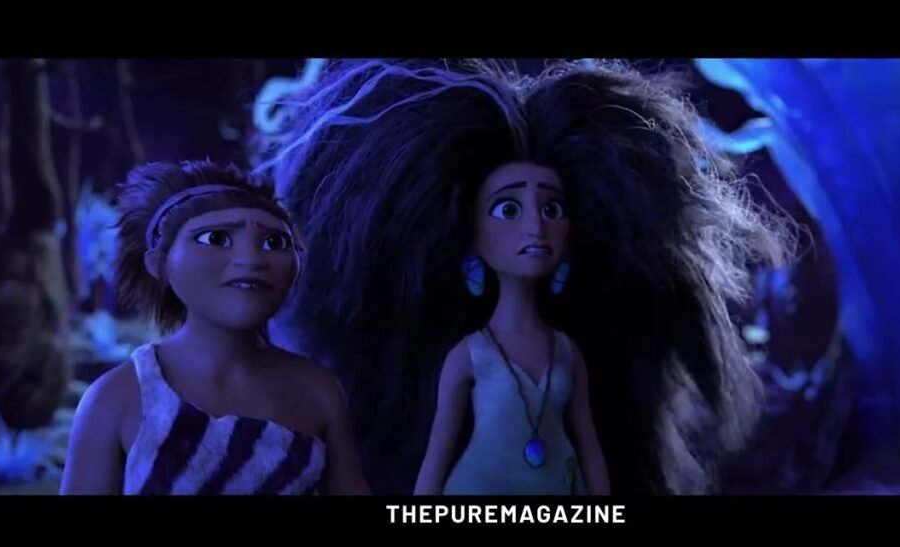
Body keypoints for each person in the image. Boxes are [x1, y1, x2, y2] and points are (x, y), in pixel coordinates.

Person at [255, 59, 794, 495]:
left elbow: (590, 441)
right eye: (508, 210)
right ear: (466, 234)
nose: (535, 226)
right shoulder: (464, 357)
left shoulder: (571, 353)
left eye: (552, 208)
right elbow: (438, 453)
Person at [59, 160, 369, 495]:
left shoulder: (318, 390)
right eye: (216, 238)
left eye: (274, 242)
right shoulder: (116, 397)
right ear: (159, 263)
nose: (252, 259)